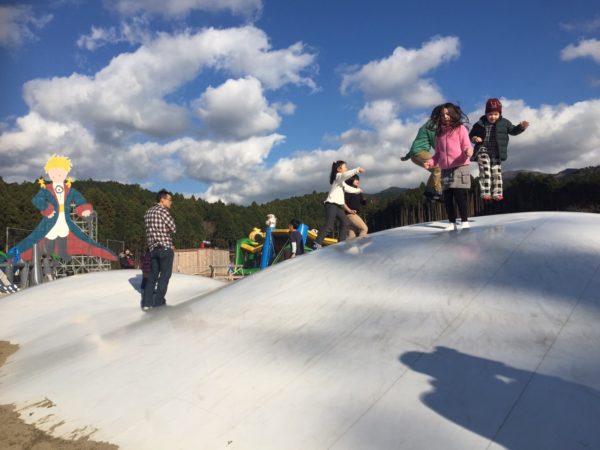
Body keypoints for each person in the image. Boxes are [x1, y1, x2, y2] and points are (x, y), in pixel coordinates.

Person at [425, 103, 473, 231]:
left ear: (453, 114)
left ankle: (464, 221)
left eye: (447, 114)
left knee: (458, 194)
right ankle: (452, 222)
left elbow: (466, 145)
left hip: (460, 165)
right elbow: (438, 154)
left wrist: (468, 151)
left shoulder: (460, 129)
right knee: (447, 197)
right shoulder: (439, 133)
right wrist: (430, 162)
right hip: (445, 168)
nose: (445, 117)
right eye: (442, 115)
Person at [469, 98, 530, 201]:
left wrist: (521, 127)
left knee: (496, 172)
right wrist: (475, 138)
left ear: (499, 114)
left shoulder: (505, 123)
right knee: (485, 170)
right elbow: (471, 134)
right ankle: (485, 192)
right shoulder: (480, 123)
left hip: (496, 152)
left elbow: (513, 131)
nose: (493, 117)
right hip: (482, 150)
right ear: (486, 114)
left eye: (496, 114)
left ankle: (497, 193)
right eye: (490, 114)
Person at [313, 161, 365, 249]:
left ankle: (341, 243)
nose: (347, 168)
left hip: (338, 206)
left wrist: (358, 190)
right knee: (329, 225)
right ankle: (317, 243)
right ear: (339, 169)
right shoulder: (338, 177)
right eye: (345, 167)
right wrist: (357, 170)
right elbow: (345, 175)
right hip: (331, 204)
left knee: (345, 222)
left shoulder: (341, 182)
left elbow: (348, 188)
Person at [142, 189, 176, 310]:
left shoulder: (147, 212)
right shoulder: (163, 211)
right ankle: (159, 302)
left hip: (153, 249)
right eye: (170, 200)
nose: (171, 202)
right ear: (162, 199)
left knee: (152, 276)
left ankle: (146, 303)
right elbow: (173, 228)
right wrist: (165, 230)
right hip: (165, 247)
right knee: (165, 276)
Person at [401, 105, 443, 201]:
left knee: (435, 170)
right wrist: (441, 153)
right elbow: (434, 142)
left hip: (414, 155)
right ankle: (438, 191)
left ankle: (429, 191)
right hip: (420, 152)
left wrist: (406, 157)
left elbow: (414, 144)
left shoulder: (425, 126)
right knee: (438, 167)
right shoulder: (432, 126)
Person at [344, 175, 368, 239]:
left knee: (351, 236)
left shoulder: (358, 191)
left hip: (352, 214)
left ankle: (347, 248)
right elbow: (343, 203)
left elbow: (363, 203)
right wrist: (350, 210)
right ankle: (361, 245)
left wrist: (364, 200)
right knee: (364, 228)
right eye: (356, 179)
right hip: (350, 214)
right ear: (351, 180)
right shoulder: (348, 191)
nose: (358, 181)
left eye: (358, 180)